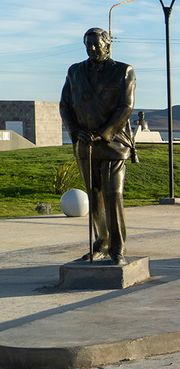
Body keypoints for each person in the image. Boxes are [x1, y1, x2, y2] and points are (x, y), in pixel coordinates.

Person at [60, 27, 136, 265]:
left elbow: (126, 107)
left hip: (113, 143)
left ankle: (118, 249)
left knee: (113, 194)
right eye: (88, 45)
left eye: (96, 44)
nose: (92, 49)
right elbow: (65, 105)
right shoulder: (75, 71)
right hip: (84, 144)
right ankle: (101, 243)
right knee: (94, 195)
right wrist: (75, 131)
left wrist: (104, 133)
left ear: (108, 45)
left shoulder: (123, 71)